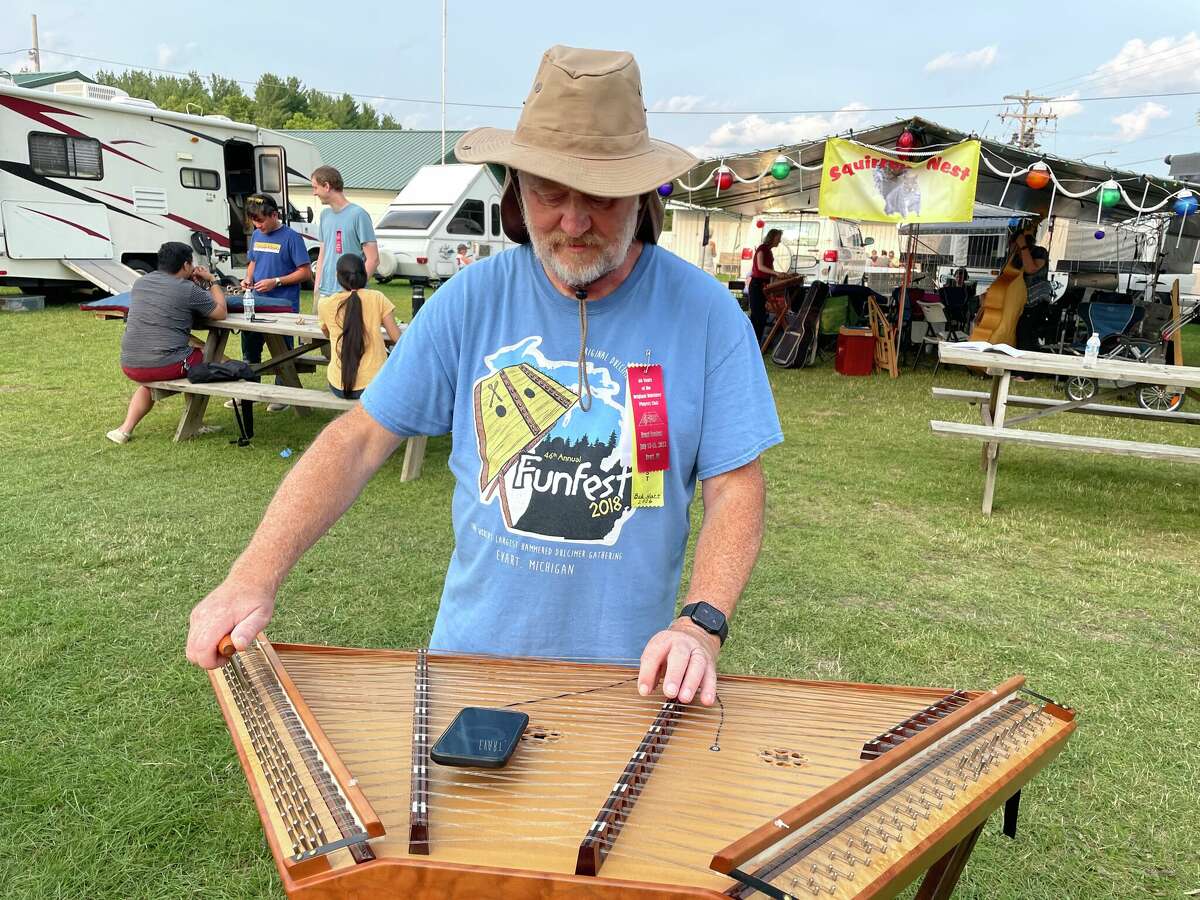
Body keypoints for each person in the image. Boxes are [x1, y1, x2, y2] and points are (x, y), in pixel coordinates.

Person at [186, 45, 782, 711]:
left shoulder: (706, 316)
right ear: (516, 197)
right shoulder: (471, 300)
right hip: (468, 668)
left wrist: (700, 624)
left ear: (642, 197)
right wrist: (253, 572)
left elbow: (735, 486)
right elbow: (358, 440)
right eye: (551, 194)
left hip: (632, 681)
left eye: (602, 199)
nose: (575, 222)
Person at [107, 242, 227, 444]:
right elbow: (220, 313)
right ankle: (241, 393)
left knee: (155, 377)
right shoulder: (187, 289)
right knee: (213, 357)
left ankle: (124, 429)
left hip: (131, 364)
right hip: (165, 365)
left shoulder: (141, 283)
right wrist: (212, 280)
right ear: (186, 265)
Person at [239, 194, 313, 412]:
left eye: (261, 221)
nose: (258, 225)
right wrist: (247, 279)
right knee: (250, 349)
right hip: (255, 303)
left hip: (283, 305)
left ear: (274, 215)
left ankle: (283, 394)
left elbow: (305, 272)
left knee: (282, 353)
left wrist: (277, 281)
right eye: (254, 221)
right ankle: (250, 392)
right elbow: (253, 261)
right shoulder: (256, 235)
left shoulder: (292, 238)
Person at [318, 254, 402, 400]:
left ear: (337, 276)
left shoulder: (325, 304)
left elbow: (326, 332)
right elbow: (398, 339)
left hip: (338, 385)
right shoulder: (377, 298)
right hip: (373, 384)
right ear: (363, 274)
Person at [310, 165, 378, 313]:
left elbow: (373, 259)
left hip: (348, 296)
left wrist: (354, 289)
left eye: (315, 188)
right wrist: (317, 289)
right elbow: (322, 255)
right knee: (317, 336)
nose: (314, 193)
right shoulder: (324, 215)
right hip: (324, 294)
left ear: (326, 186)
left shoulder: (358, 215)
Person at [746, 227, 785, 343]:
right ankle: (753, 342)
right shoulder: (762, 249)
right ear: (772, 238)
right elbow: (760, 267)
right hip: (756, 285)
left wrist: (779, 277)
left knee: (762, 316)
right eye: (778, 238)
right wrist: (776, 273)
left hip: (764, 285)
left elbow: (770, 271)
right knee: (757, 316)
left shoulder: (769, 251)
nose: (779, 241)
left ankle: (757, 342)